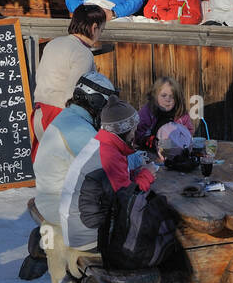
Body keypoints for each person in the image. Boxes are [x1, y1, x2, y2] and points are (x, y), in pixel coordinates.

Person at [59, 97, 159, 253]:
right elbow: (129, 203)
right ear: (123, 130)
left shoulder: (102, 144)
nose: (135, 133)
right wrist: (146, 174)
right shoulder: (109, 155)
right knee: (157, 228)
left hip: (77, 227)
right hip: (88, 236)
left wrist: (134, 174)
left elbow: (110, 183)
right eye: (133, 128)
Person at [32, 71, 115, 229]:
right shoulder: (78, 129)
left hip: (50, 200)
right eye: (106, 105)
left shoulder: (70, 117)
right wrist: (138, 159)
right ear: (96, 102)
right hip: (59, 208)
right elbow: (109, 165)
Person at [31, 4, 107, 144]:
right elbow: (74, 93)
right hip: (60, 117)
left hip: (39, 114)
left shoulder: (53, 43)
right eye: (101, 30)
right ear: (94, 27)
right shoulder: (83, 53)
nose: (99, 35)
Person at [135, 75, 195, 150]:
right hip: (150, 150)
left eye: (172, 96)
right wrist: (154, 142)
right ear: (154, 96)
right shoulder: (147, 112)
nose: (168, 99)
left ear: (177, 99)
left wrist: (181, 142)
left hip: (176, 151)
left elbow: (188, 132)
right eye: (164, 95)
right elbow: (138, 134)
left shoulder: (181, 114)